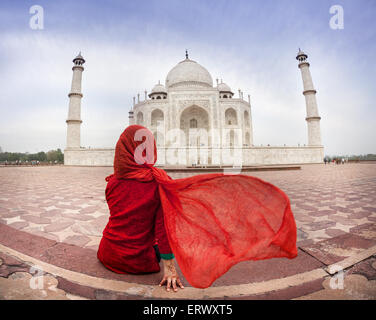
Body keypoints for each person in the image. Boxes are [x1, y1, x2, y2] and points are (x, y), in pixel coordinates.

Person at [97, 125, 298, 290]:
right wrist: (170, 270)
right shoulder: (157, 182)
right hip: (137, 261)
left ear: (122, 149)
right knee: (169, 242)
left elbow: (124, 218)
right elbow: (163, 229)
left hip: (107, 252)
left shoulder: (112, 182)